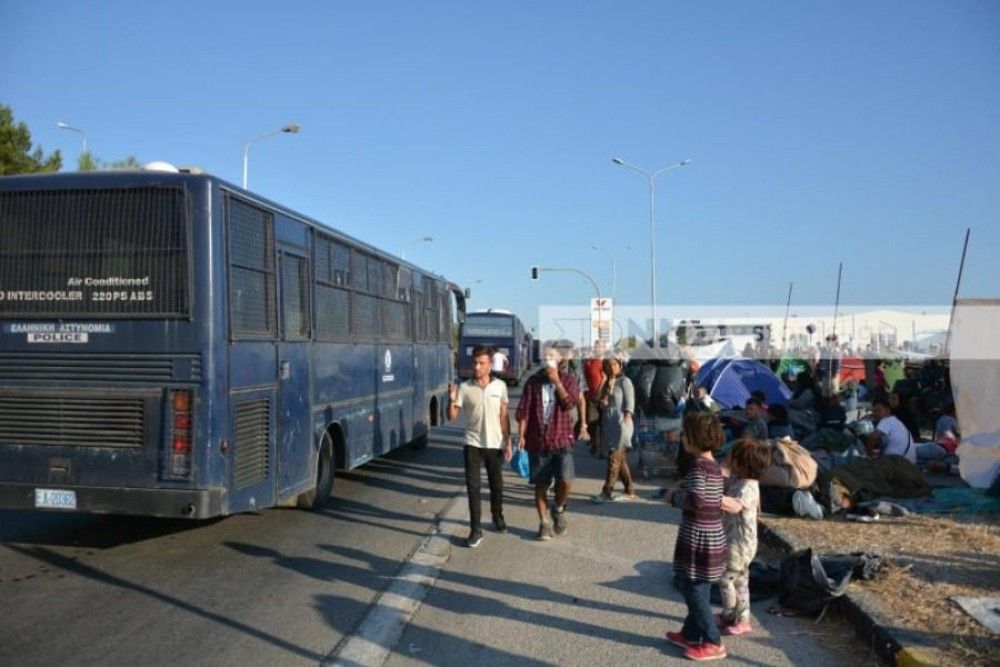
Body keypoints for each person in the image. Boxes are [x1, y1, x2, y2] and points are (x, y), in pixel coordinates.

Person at [665, 412, 727, 661]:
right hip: (711, 536)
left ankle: (713, 641)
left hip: (699, 538)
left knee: (693, 589)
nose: (681, 438)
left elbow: (697, 500)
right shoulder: (714, 467)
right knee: (698, 586)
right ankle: (690, 633)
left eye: (684, 434)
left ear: (694, 439)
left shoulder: (698, 470)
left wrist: (674, 498)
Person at [448, 345, 512, 548]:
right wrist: (451, 401)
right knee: (473, 488)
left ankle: (497, 516)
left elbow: (504, 415)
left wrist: (508, 441)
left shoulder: (500, 387)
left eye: (481, 363)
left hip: (494, 444)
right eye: (474, 362)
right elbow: (452, 416)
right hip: (472, 444)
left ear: (490, 365)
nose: (476, 366)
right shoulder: (465, 388)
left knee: (497, 485)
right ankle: (475, 530)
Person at [516, 341, 581, 541]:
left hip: (562, 440)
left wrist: (557, 383)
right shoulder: (532, 382)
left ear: (560, 359)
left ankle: (559, 508)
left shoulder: (568, 380)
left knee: (566, 480)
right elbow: (523, 412)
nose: (548, 359)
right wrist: (521, 436)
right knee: (541, 484)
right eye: (545, 355)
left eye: (552, 355)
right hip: (539, 442)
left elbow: (570, 403)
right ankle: (544, 523)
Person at [717, 437, 771, 636]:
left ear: (743, 463)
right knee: (740, 581)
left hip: (740, 544)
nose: (730, 461)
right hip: (734, 540)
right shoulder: (739, 480)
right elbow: (724, 481)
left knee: (725, 579)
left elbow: (735, 505)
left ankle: (730, 615)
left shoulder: (749, 486)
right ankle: (743, 619)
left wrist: (714, 497)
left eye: (734, 458)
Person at [592, 353, 637, 503]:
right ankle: (629, 490)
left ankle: (606, 492)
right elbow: (596, 399)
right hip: (608, 425)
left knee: (613, 459)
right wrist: (604, 381)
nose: (611, 368)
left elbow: (630, 402)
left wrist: (627, 417)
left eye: (614, 364)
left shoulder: (625, 381)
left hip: (621, 425)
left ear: (620, 365)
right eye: (608, 365)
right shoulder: (608, 383)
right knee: (621, 460)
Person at [866, 397, 915, 464]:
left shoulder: (887, 420)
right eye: (874, 411)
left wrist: (869, 453)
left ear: (888, 410)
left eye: (879, 410)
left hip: (900, 463)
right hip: (907, 460)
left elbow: (873, 437)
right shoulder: (895, 421)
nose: (876, 413)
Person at [582, 339, 607, 457]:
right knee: (592, 422)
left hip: (604, 396)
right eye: (596, 347)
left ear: (604, 349)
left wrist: (604, 394)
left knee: (603, 423)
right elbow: (586, 379)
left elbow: (609, 378)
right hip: (591, 396)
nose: (598, 349)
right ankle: (595, 444)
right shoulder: (590, 362)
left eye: (601, 347)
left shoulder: (607, 362)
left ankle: (601, 449)